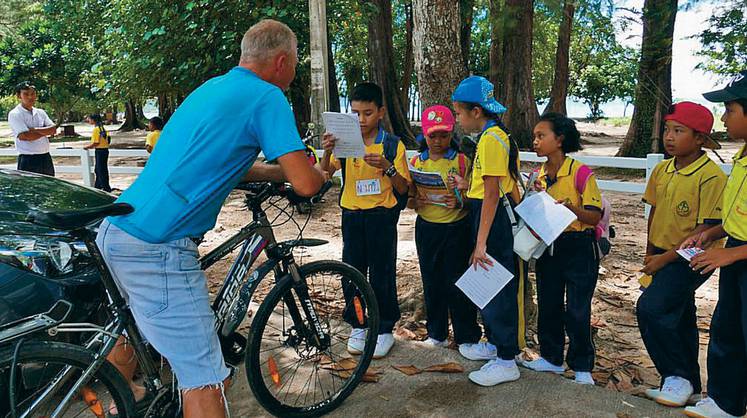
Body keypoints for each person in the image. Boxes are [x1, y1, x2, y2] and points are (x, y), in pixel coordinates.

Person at [96, 20, 325, 418]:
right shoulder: (267, 97)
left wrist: (275, 172)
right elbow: (306, 184)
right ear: (282, 62)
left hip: (118, 229)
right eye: (294, 67)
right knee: (205, 377)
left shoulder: (211, 88)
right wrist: (319, 172)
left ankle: (119, 402)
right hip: (159, 245)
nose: (293, 76)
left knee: (131, 327)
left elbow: (219, 161)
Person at [633, 102, 728, 407]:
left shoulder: (710, 176)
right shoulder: (662, 169)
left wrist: (664, 259)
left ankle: (676, 376)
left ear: (700, 139)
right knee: (680, 314)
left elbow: (706, 229)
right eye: (667, 130)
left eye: (679, 131)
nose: (669, 137)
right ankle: (689, 383)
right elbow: (655, 211)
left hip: (694, 257)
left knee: (651, 307)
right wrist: (650, 252)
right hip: (662, 252)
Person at [320, 82, 411, 359]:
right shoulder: (345, 143)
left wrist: (387, 166)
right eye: (355, 113)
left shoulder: (393, 145)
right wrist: (326, 149)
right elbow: (324, 172)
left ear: (381, 112)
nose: (361, 120)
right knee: (353, 273)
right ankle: (358, 324)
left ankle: (384, 329)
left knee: (382, 274)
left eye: (367, 113)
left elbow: (405, 188)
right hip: (352, 216)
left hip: (381, 217)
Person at [518, 113, 603, 385]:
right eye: (535, 137)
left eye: (541, 136)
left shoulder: (579, 173)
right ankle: (551, 358)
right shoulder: (538, 175)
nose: (536, 141)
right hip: (549, 245)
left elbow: (593, 216)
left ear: (560, 139)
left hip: (579, 246)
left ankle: (581, 366)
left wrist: (570, 210)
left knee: (578, 309)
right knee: (549, 304)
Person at [683, 71, 747, 418]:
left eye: (730, 109)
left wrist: (732, 253)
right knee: (727, 330)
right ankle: (727, 403)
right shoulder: (742, 157)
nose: (724, 117)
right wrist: (713, 232)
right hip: (735, 250)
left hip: (739, 254)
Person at [451, 75, 523, 386]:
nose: (457, 119)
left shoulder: (492, 139)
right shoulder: (490, 135)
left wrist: (480, 243)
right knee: (490, 285)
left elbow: (493, 193)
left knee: (496, 287)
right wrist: (468, 184)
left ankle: (507, 359)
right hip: (486, 215)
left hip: (492, 222)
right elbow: (488, 183)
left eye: (458, 113)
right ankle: (495, 344)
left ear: (476, 111)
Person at [408, 105, 480, 349]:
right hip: (427, 228)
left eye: (444, 135)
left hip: (456, 229)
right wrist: (415, 201)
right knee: (432, 281)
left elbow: (476, 197)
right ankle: (436, 334)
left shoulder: (462, 161)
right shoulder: (417, 161)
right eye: (432, 136)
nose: (438, 141)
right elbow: (409, 197)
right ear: (424, 135)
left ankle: (467, 336)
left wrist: (460, 201)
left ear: (452, 134)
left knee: (458, 282)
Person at [7, 81, 57, 175]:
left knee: (49, 189)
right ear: (19, 96)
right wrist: (45, 131)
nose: (30, 97)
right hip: (28, 160)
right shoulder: (15, 114)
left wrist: (34, 130)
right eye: (26, 94)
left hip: (45, 158)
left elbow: (53, 130)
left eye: (33, 94)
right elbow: (25, 136)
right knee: (30, 189)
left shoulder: (41, 112)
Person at [83, 113, 112, 192]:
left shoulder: (96, 129)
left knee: (100, 170)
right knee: (99, 169)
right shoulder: (102, 128)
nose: (88, 120)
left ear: (93, 120)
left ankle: (106, 188)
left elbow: (96, 143)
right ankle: (97, 187)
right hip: (105, 150)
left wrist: (87, 147)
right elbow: (108, 140)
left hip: (100, 151)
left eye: (89, 119)